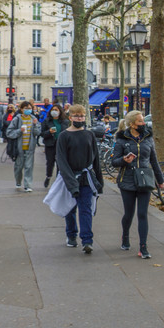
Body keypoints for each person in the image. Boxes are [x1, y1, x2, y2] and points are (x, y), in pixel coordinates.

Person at [112, 110, 164, 258]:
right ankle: (125, 236)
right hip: (127, 180)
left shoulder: (148, 138)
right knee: (129, 214)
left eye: (143, 121)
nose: (144, 124)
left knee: (142, 214)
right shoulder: (122, 140)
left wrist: (160, 180)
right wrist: (124, 160)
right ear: (132, 125)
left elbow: (154, 160)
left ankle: (143, 247)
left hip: (144, 180)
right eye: (140, 121)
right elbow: (114, 162)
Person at [57, 104, 104, 253]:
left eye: (82, 116)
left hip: (86, 178)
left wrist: (99, 181)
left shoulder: (89, 135)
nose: (80, 118)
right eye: (77, 116)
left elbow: (96, 159)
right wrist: (71, 183)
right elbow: (62, 162)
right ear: (70, 117)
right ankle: (71, 235)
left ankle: (87, 240)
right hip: (70, 178)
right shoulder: (64, 136)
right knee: (70, 210)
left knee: (85, 209)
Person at [7, 100, 41, 192]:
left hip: (30, 147)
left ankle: (28, 185)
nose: (28, 110)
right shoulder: (17, 119)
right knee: (18, 167)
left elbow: (37, 133)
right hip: (19, 148)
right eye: (26, 108)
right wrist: (19, 131)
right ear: (21, 109)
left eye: (30, 108)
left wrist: (35, 125)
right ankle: (18, 182)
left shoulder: (34, 119)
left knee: (29, 167)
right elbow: (9, 133)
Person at [41, 103, 65, 188]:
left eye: (56, 110)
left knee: (60, 163)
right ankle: (48, 176)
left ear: (60, 111)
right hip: (50, 145)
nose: (54, 112)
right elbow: (42, 133)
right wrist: (49, 132)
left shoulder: (64, 122)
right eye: (53, 110)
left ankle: (58, 179)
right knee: (50, 162)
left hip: (61, 145)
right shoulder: (47, 121)